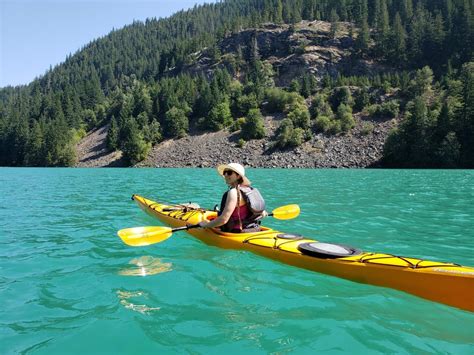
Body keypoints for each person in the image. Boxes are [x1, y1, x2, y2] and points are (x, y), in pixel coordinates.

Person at [197, 163, 266, 233]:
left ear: (238, 176)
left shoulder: (233, 192)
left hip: (237, 232)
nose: (226, 175)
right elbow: (260, 212)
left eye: (229, 173)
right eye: (225, 172)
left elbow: (223, 220)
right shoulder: (249, 191)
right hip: (254, 229)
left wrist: (206, 225)